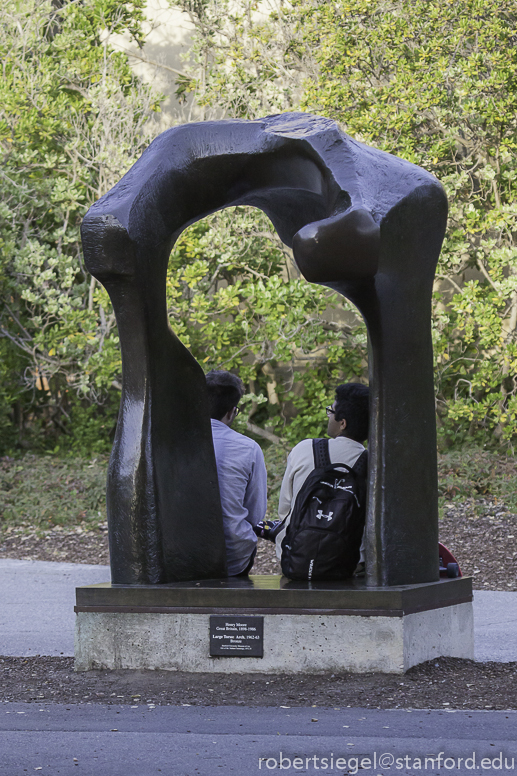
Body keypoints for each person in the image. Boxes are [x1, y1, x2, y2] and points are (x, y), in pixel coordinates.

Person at [273, 382, 369, 561]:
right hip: (351, 562)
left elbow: (285, 509)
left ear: (343, 423)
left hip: (297, 557)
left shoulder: (304, 449)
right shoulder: (373, 462)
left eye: (331, 412)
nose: (328, 416)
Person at [206, 370, 267, 576]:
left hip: (179, 554)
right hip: (234, 558)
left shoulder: (172, 444)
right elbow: (255, 513)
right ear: (232, 412)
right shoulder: (248, 448)